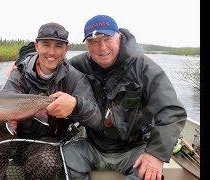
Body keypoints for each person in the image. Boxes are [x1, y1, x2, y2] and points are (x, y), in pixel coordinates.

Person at [63, 15, 187, 180]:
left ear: (119, 37)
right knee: (64, 159)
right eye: (93, 42)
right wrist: (21, 65)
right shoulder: (77, 65)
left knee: (148, 174)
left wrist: (156, 154)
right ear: (87, 45)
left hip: (134, 149)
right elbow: (50, 62)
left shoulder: (144, 67)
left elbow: (172, 111)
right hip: (92, 146)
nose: (102, 47)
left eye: (107, 38)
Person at [0, 22, 102, 154]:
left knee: (45, 160)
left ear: (66, 49)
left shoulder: (76, 78)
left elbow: (96, 119)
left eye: (58, 46)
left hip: (51, 143)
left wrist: (75, 105)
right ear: (36, 46)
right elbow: (6, 98)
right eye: (46, 44)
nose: (51, 52)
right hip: (17, 138)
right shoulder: (19, 74)